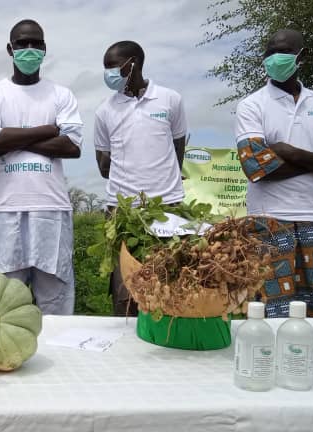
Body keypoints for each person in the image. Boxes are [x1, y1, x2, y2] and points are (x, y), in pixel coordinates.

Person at [234, 29, 313, 321]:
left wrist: (291, 152)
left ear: (303, 56)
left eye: (284, 51)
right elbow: (256, 168)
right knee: (267, 316)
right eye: (270, 52)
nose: (275, 58)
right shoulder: (252, 105)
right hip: (270, 220)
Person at [0, 19, 83, 315]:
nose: (29, 49)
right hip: (6, 209)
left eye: (36, 43)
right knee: (3, 301)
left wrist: (12, 137)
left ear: (45, 49)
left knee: (56, 299)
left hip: (52, 209)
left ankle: (60, 359)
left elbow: (71, 147)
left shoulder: (61, 95)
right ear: (10, 48)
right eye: (22, 43)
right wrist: (49, 129)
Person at [93, 40, 188, 316]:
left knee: (170, 283)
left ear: (132, 63)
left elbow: (178, 150)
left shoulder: (170, 99)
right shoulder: (105, 110)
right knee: (125, 288)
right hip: (122, 209)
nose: (108, 73)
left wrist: (161, 181)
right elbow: (103, 164)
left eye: (112, 65)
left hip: (168, 206)